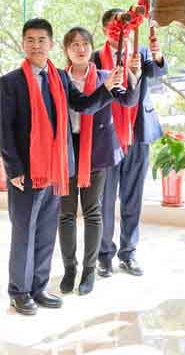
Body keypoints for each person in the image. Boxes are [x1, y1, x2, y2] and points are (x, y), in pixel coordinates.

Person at [0, 18, 126, 316]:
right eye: (30, 40)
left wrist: (106, 88)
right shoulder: (10, 82)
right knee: (24, 232)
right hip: (26, 173)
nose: (36, 45)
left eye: (42, 39)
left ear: (51, 44)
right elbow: (4, 129)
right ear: (23, 44)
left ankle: (39, 287)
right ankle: (19, 291)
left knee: (45, 231)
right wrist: (13, 169)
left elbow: (84, 105)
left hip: (55, 169)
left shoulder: (60, 79)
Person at [59, 26, 140, 296]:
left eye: (85, 43)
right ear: (66, 50)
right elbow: (78, 106)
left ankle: (89, 270)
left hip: (96, 151)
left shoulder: (106, 76)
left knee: (92, 211)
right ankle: (69, 268)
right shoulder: (59, 79)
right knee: (66, 213)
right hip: (66, 150)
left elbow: (129, 100)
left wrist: (131, 72)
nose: (80, 48)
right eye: (74, 44)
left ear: (91, 47)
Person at [93, 8, 167, 278]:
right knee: (105, 199)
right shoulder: (94, 58)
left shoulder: (141, 52)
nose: (120, 31)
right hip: (108, 136)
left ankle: (129, 252)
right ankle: (104, 255)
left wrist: (156, 55)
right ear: (106, 30)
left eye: (124, 26)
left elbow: (157, 72)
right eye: (115, 27)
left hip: (138, 131)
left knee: (133, 196)